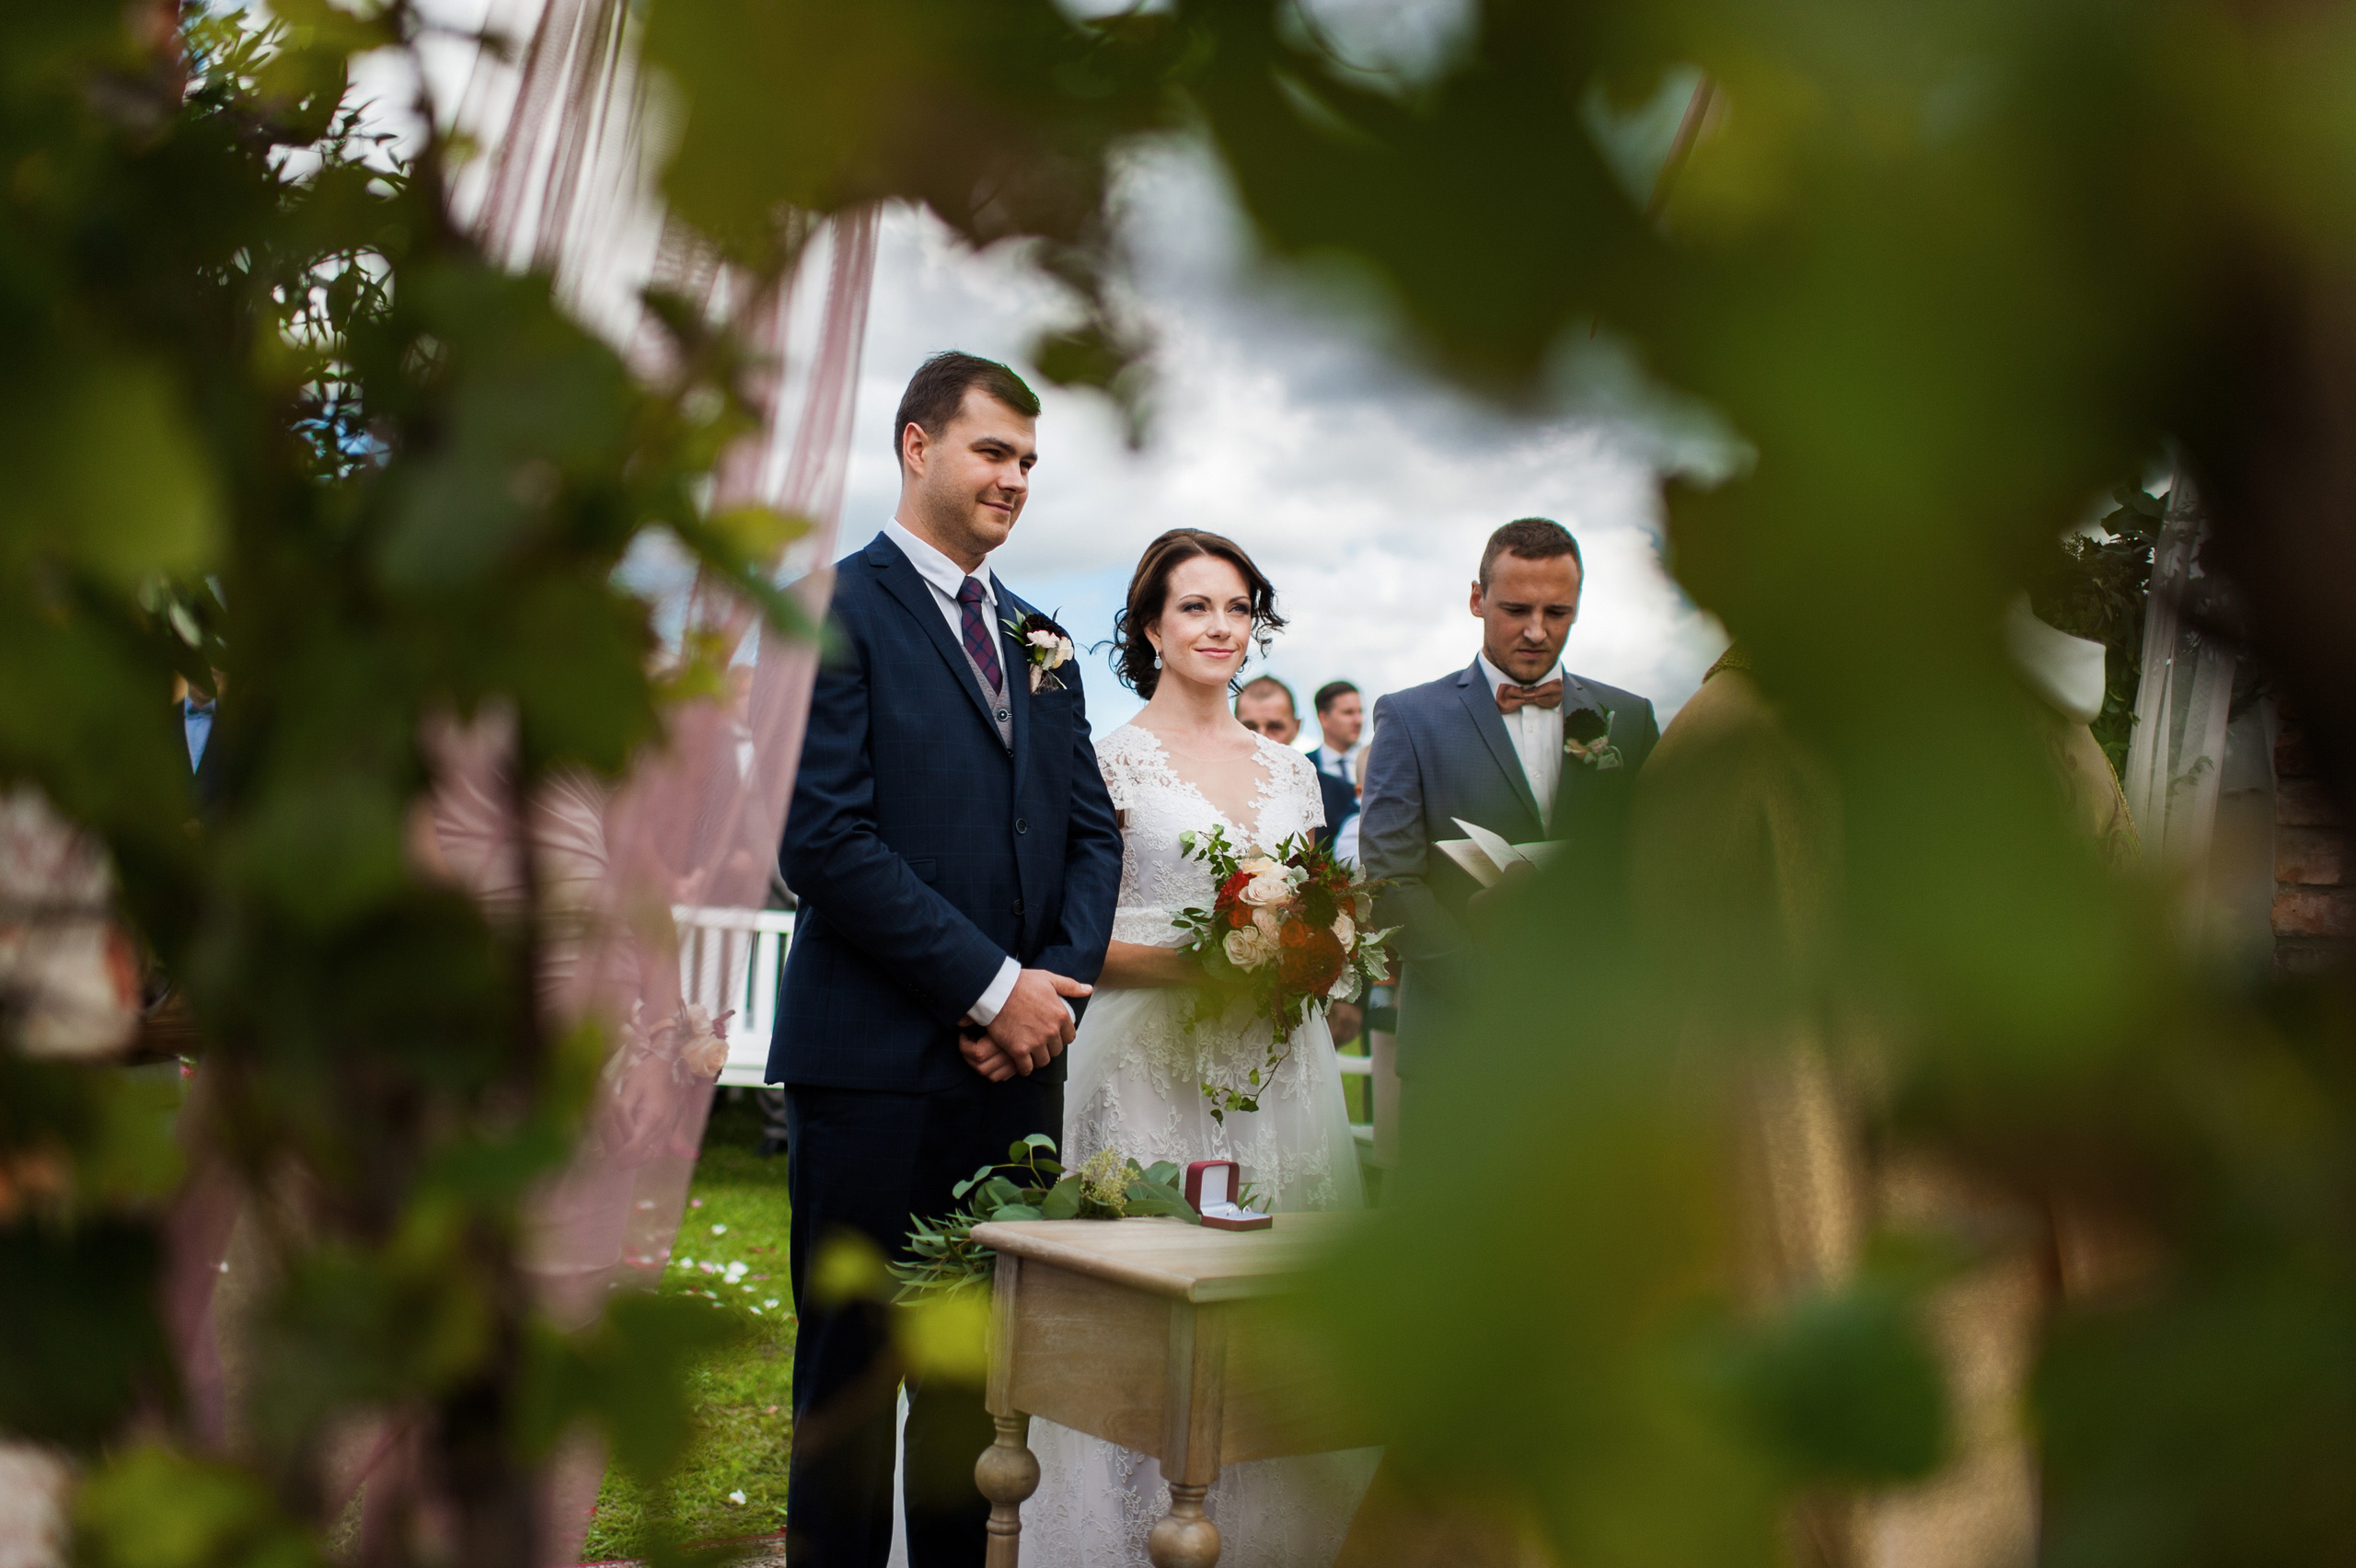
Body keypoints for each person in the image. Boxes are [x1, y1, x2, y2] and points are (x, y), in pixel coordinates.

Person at [770, 352, 1125, 1568]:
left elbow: (1088, 830)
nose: (1016, 478)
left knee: (979, 1408)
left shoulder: (1044, 640)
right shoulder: (831, 608)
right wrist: (992, 987)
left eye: (1029, 460)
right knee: (855, 1396)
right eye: (994, 451)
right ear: (917, 446)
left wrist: (1053, 992)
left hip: (1011, 1081)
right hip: (870, 1072)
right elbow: (823, 836)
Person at [1021, 529, 1375, 1567]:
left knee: (1271, 1313)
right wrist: (1200, 965)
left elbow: (1318, 915)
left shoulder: (1292, 773)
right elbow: (1069, 943)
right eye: (1196, 608)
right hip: (1143, 1065)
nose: (1221, 628)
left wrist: (1313, 954)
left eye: (1236, 608)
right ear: (1149, 628)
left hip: (1275, 1068)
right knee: (1139, 1317)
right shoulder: (1107, 761)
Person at [1357, 517, 1660, 1090]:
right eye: (1516, 610)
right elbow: (1389, 881)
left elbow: (1660, 859)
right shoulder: (1410, 717)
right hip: (1461, 1040)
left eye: (1557, 613)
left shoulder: (1631, 717)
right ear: (1477, 599)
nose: (1538, 632)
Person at [1237, 674, 1358, 855]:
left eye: (1275, 727)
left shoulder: (1341, 794)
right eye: (1250, 727)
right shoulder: (1208, 785)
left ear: (1296, 727)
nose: (1261, 737)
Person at [1306, 680, 1365, 787]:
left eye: (1360, 712)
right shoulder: (1304, 766)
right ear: (1323, 718)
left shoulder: (1378, 762)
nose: (1358, 720)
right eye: (1348, 712)